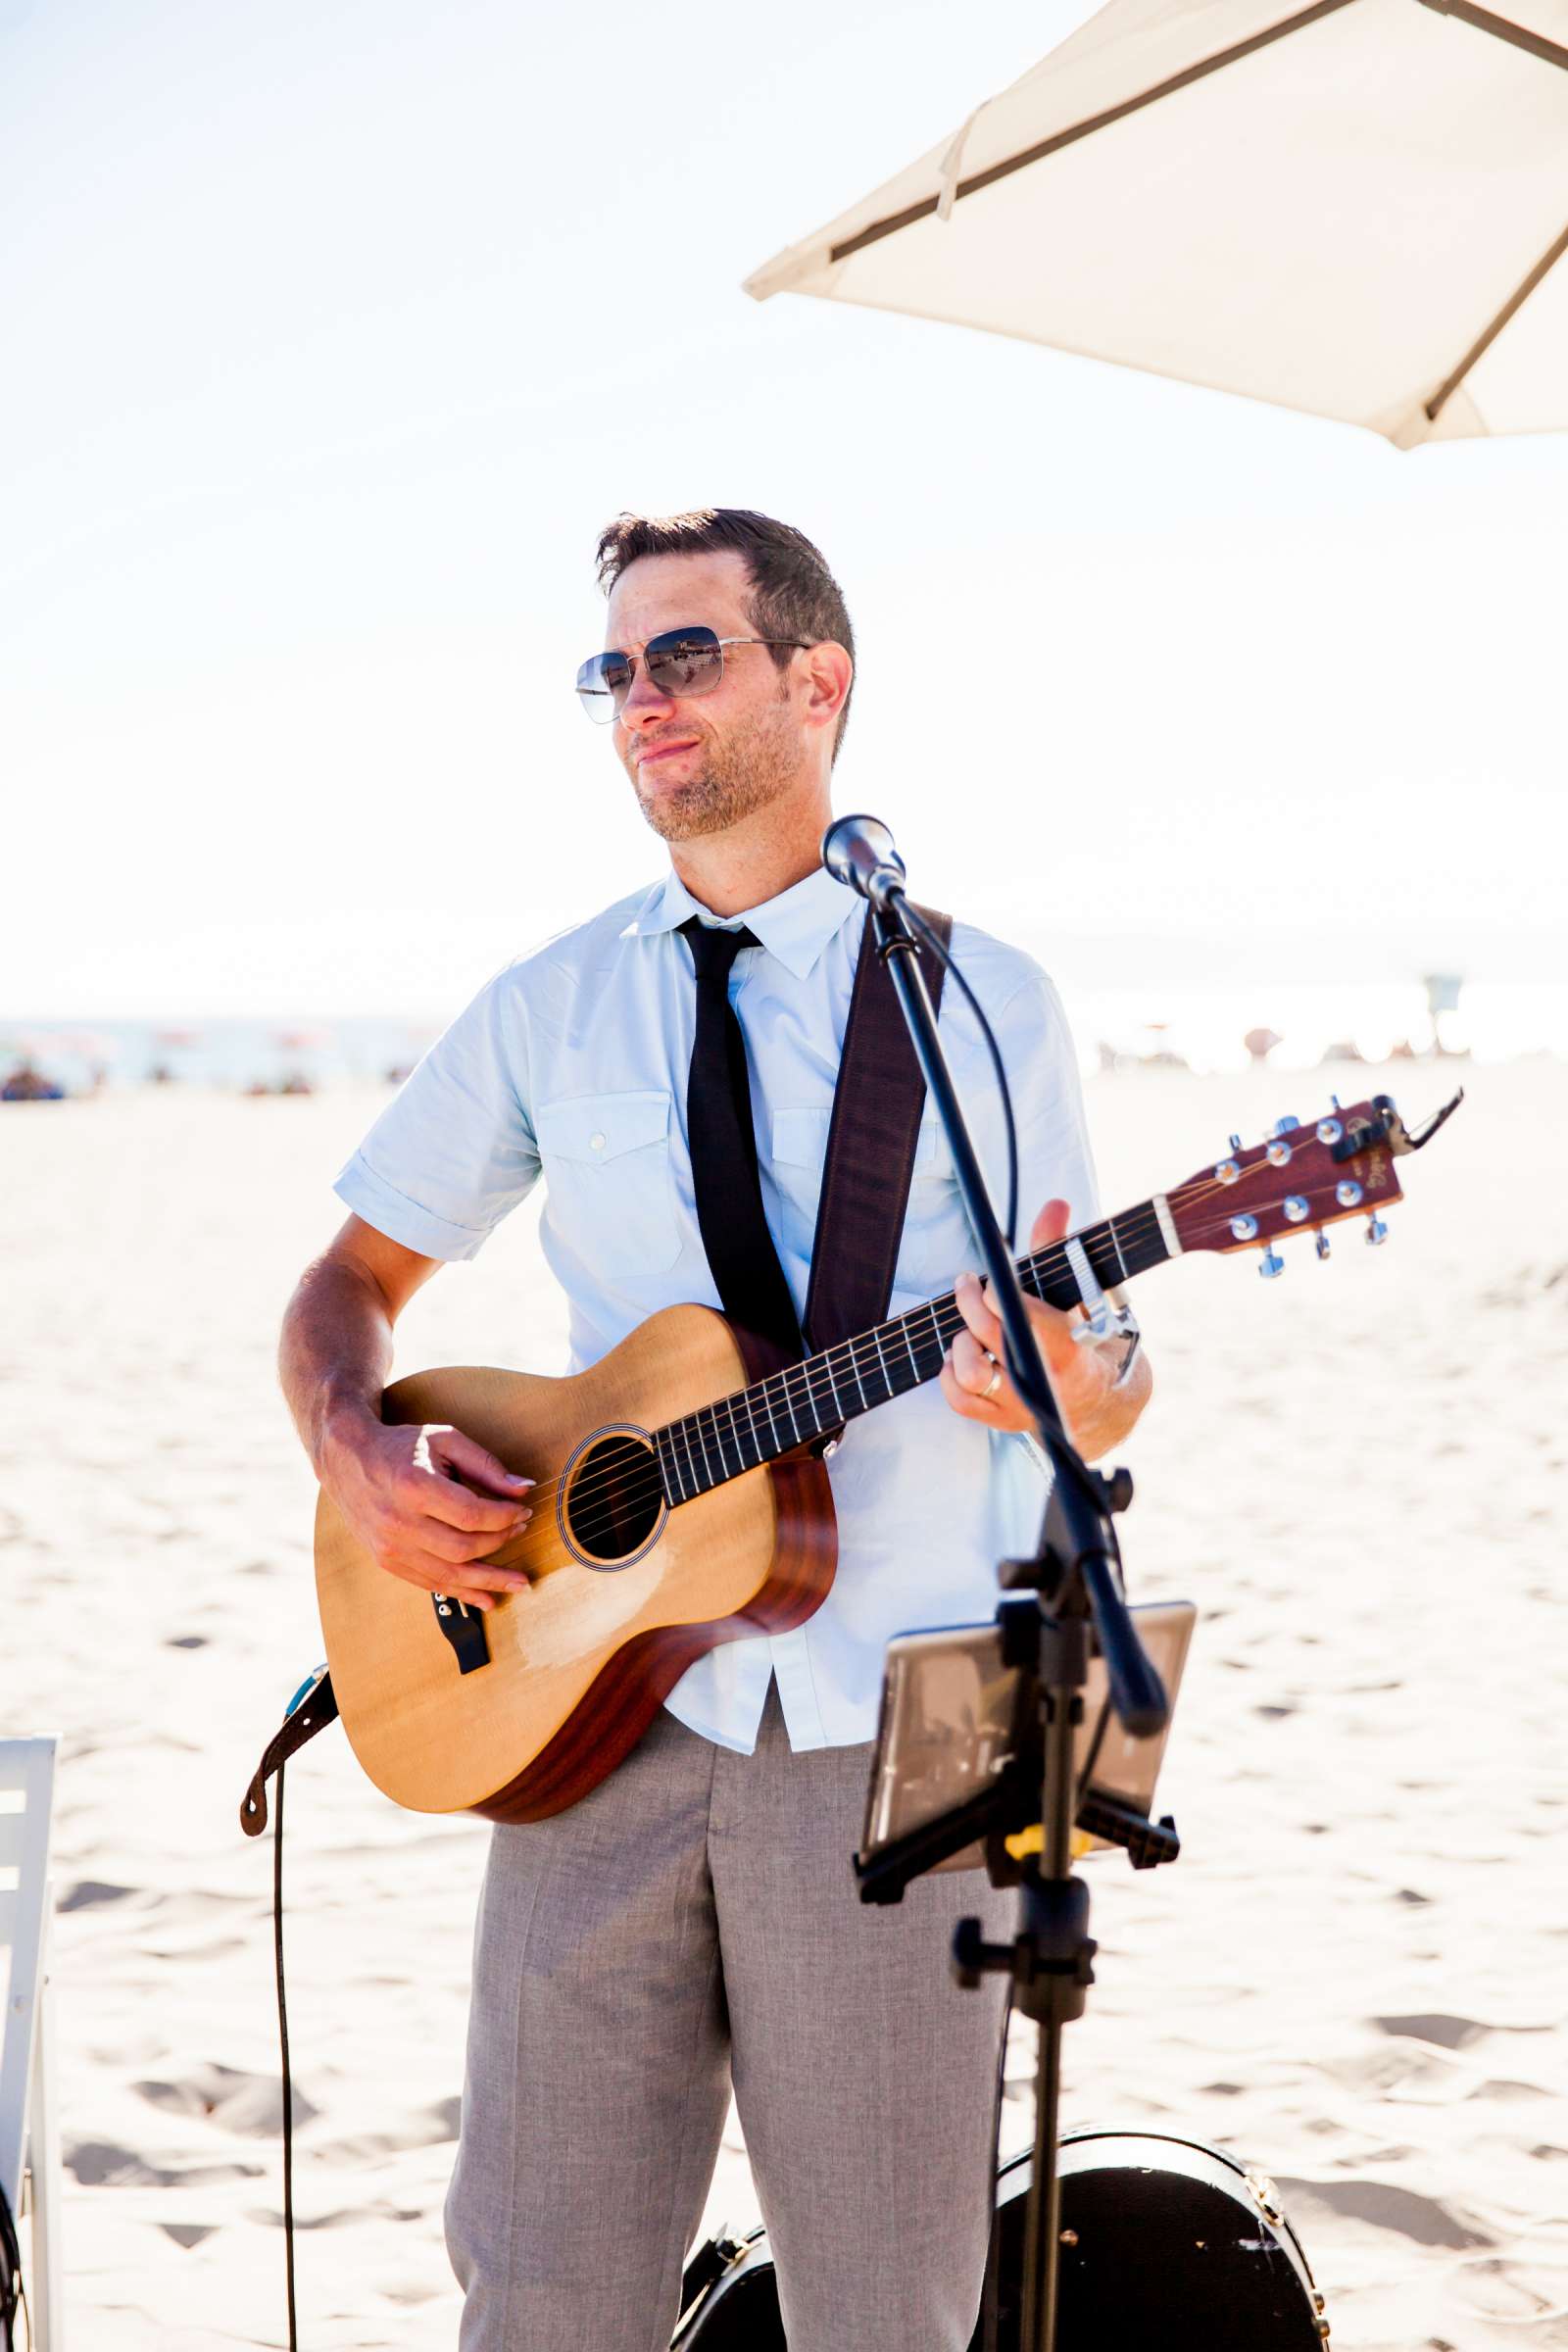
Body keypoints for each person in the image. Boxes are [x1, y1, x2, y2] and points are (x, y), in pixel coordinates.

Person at [277, 508, 1152, 2349]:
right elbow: (346, 1287)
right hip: (592, 1707)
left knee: (882, 2312)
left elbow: (1106, 1361)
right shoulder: (549, 1000)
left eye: (688, 655)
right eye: (616, 668)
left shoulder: (989, 1004)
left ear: (817, 683)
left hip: (899, 1718)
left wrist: (1064, 1383)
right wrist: (359, 1447)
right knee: (540, 2294)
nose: (642, 704)